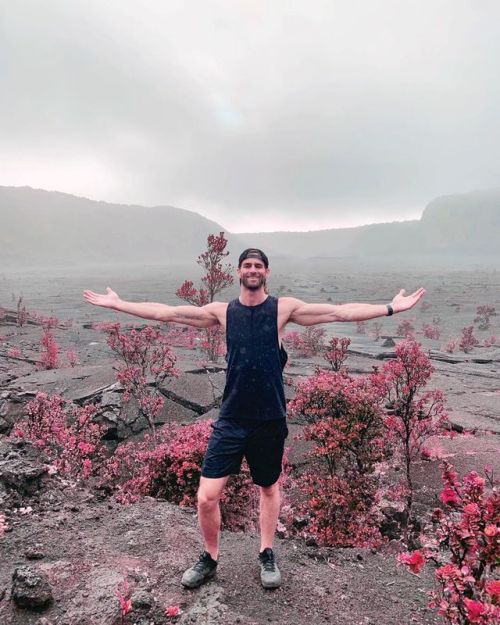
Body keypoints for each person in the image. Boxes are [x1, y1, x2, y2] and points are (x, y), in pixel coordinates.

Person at [83, 248, 425, 590]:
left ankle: (266, 552)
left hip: (269, 419)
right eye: (247, 265)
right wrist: (118, 304)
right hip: (232, 417)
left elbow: (340, 313)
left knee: (268, 486)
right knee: (206, 496)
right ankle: (210, 558)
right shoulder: (223, 313)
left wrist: (391, 307)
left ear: (267, 272)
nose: (252, 270)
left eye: (258, 266)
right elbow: (167, 313)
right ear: (238, 272)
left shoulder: (282, 308)